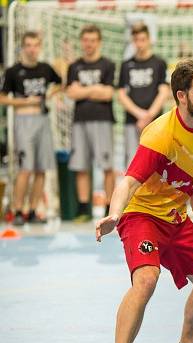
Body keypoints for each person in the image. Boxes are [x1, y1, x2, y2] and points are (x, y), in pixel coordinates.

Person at [96, 60, 193, 343]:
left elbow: (191, 168)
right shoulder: (160, 135)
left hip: (176, 216)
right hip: (142, 215)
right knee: (146, 279)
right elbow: (128, 182)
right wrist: (114, 214)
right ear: (181, 97)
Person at [0, 31, 62, 225]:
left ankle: (33, 210)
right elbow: (2, 97)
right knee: (25, 169)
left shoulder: (45, 68)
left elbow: (59, 83)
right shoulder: (13, 71)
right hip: (24, 121)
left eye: (35, 45)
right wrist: (24, 102)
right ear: (23, 47)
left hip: (43, 120)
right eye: (28, 45)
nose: (32, 49)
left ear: (39, 47)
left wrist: (50, 95)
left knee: (42, 168)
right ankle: (18, 210)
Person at [66, 24, 116, 221]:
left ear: (99, 42)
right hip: (79, 121)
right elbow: (70, 92)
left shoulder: (108, 65)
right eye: (86, 40)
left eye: (93, 40)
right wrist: (95, 89)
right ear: (82, 42)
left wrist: (83, 91)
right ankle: (83, 209)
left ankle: (109, 206)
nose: (89, 44)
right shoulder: (74, 66)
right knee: (81, 166)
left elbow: (108, 94)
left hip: (103, 121)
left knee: (107, 166)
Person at [117, 23, 170, 169]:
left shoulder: (159, 63)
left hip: (155, 122)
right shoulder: (126, 65)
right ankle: (134, 193)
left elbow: (164, 91)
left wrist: (149, 116)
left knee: (157, 163)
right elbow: (121, 94)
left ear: (149, 39)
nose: (139, 44)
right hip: (132, 121)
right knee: (133, 164)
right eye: (136, 40)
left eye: (142, 39)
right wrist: (139, 114)